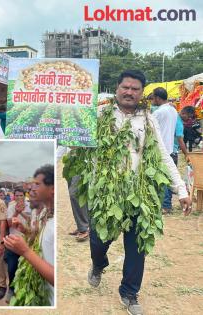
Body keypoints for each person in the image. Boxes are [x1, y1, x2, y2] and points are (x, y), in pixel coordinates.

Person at [84, 70, 192, 315]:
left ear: (142, 93)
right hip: (106, 196)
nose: (129, 92)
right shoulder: (100, 115)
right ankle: (98, 264)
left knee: (137, 247)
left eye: (135, 89)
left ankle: (130, 293)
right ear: (117, 88)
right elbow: (77, 143)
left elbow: (163, 155)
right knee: (98, 242)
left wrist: (181, 189)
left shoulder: (148, 120)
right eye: (125, 87)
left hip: (139, 194)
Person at [4, 164, 55, 306]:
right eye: (31, 185)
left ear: (52, 189)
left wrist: (25, 251)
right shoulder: (45, 214)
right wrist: (25, 230)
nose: (32, 189)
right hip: (41, 288)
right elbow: (37, 235)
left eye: (37, 184)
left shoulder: (56, 224)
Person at [152, 87, 181, 214]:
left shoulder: (158, 112)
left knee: (161, 179)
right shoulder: (173, 110)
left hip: (159, 149)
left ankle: (165, 205)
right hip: (169, 147)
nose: (152, 100)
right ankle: (167, 204)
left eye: (153, 97)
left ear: (158, 98)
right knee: (167, 177)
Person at [4, 187, 31, 303]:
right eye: (17, 195)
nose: (19, 197)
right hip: (12, 242)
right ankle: (11, 289)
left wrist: (22, 213)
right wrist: (16, 212)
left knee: (25, 269)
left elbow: (32, 222)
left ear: (25, 196)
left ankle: (23, 290)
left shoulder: (30, 206)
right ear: (14, 196)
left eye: (21, 195)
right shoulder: (10, 206)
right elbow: (9, 224)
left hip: (26, 242)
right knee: (11, 268)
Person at [68, 175, 89, 241]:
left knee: (74, 193)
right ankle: (81, 226)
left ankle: (84, 228)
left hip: (82, 165)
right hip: (70, 165)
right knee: (80, 190)